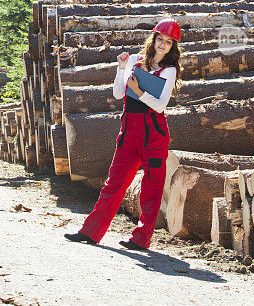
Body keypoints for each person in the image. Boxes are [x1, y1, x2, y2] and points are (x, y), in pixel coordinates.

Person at [64, 18, 182, 250]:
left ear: (172, 46)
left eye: (169, 42)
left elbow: (160, 105)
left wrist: (139, 91)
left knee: (152, 187)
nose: (163, 45)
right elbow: (119, 94)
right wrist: (120, 69)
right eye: (160, 39)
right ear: (154, 39)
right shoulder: (136, 62)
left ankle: (141, 239)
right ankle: (90, 232)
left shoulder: (169, 70)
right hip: (129, 130)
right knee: (114, 183)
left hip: (154, 133)